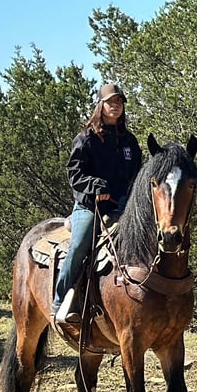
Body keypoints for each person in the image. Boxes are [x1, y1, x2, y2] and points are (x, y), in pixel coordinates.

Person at [52, 82, 142, 324]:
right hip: (90, 206)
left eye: (119, 102)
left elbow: (136, 175)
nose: (115, 106)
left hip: (122, 208)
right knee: (80, 245)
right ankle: (61, 301)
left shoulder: (130, 143)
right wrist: (97, 187)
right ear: (100, 105)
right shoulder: (86, 138)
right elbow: (75, 174)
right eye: (110, 101)